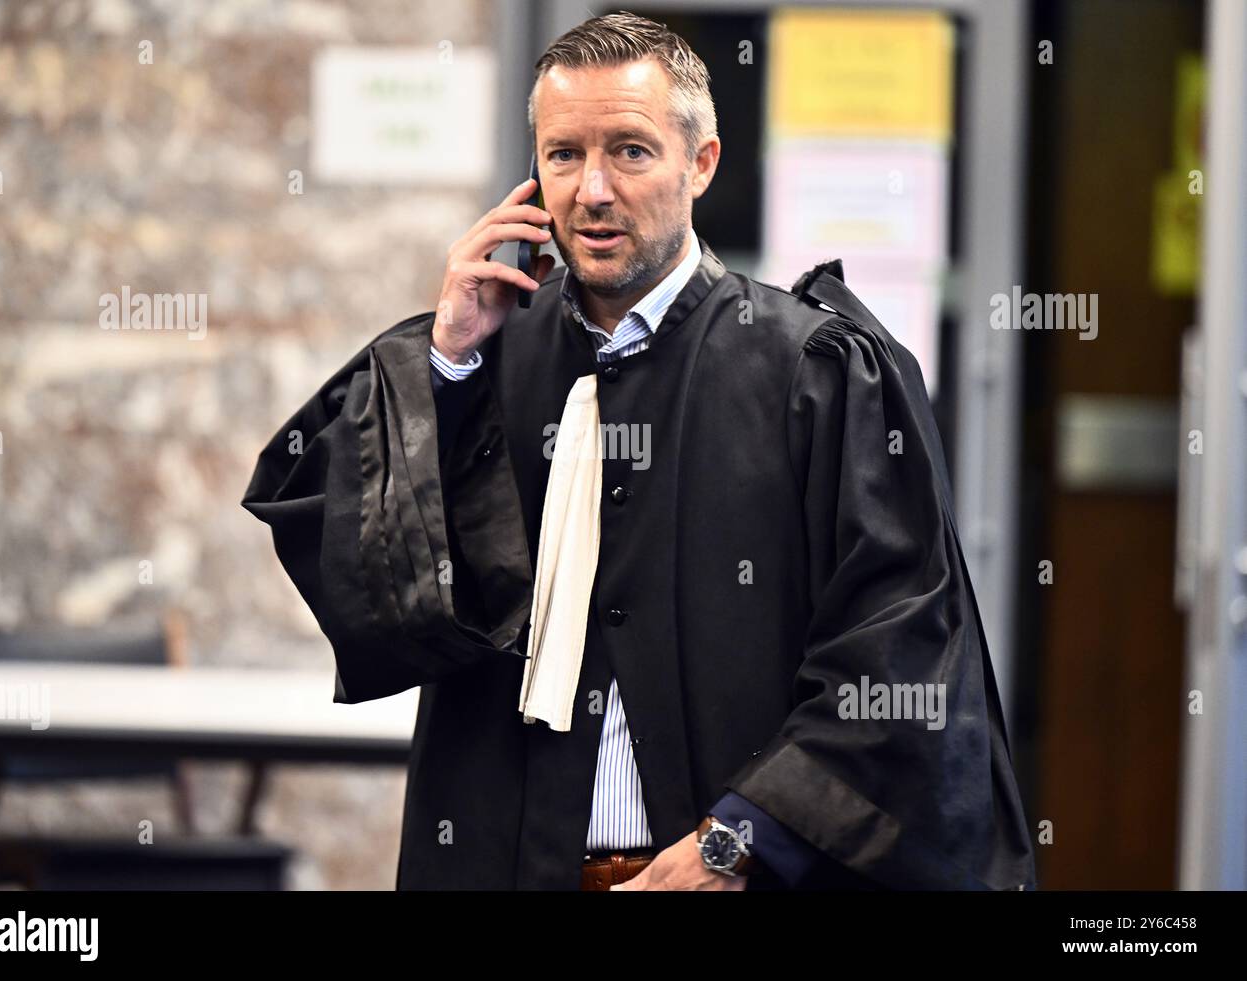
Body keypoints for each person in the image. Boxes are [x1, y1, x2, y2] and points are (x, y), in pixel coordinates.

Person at [242, 11, 1036, 892]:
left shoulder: (812, 374)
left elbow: (898, 658)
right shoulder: (484, 363)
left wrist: (739, 840)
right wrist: (443, 365)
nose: (590, 190)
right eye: (563, 155)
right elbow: (374, 593)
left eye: (629, 150)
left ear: (701, 164)